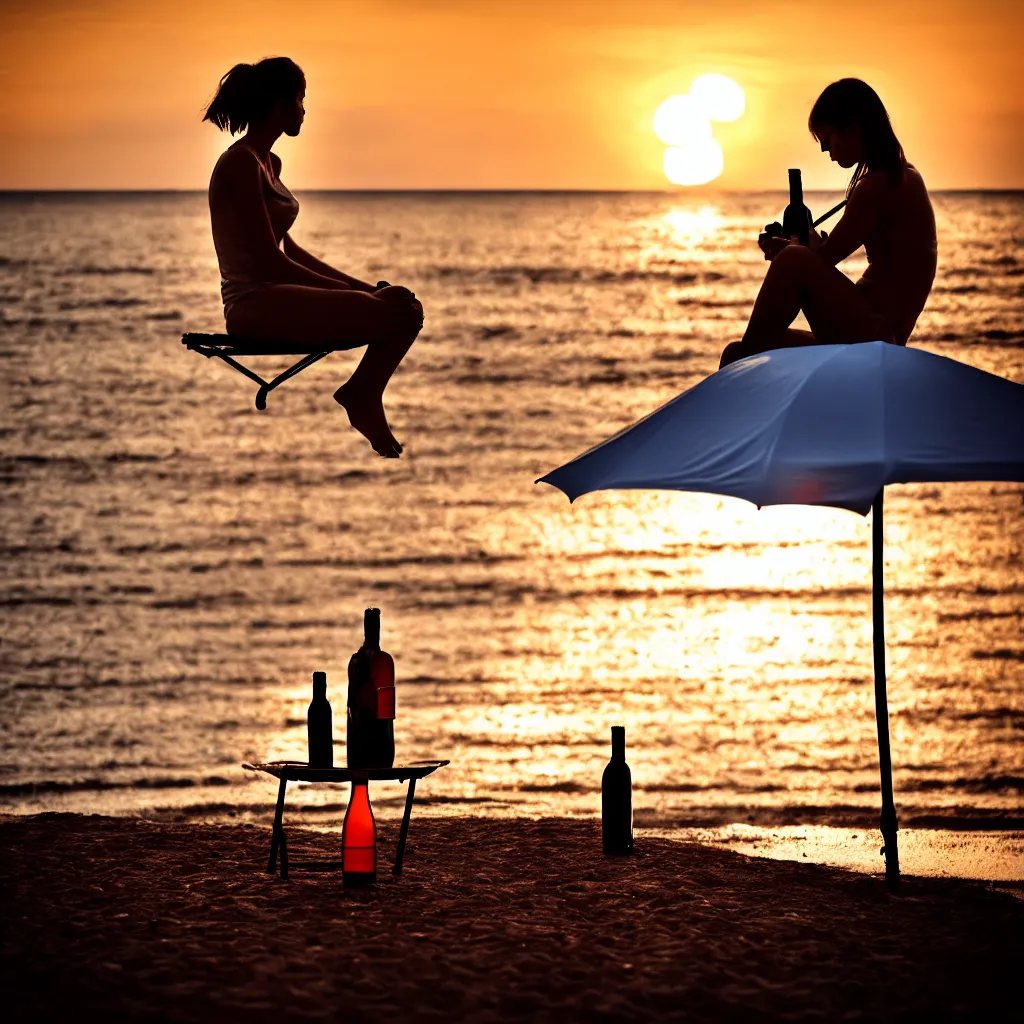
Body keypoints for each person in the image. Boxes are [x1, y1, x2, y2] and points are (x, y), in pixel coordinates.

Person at [203, 57, 422, 457]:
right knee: (393, 313)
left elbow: (291, 250)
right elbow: (268, 262)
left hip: (281, 296)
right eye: (301, 100)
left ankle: (362, 392)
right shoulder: (240, 163)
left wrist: (368, 288)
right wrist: (352, 295)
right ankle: (361, 398)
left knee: (406, 307)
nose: (305, 110)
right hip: (252, 305)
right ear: (279, 104)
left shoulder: (270, 163)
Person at [719, 78, 936, 369]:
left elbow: (821, 258)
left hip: (876, 336)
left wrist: (788, 251)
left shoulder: (878, 185)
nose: (824, 149)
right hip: (872, 330)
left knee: (790, 266)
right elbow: (825, 255)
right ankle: (743, 366)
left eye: (827, 138)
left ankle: (738, 382)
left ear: (854, 127)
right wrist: (794, 248)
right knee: (739, 351)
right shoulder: (901, 176)